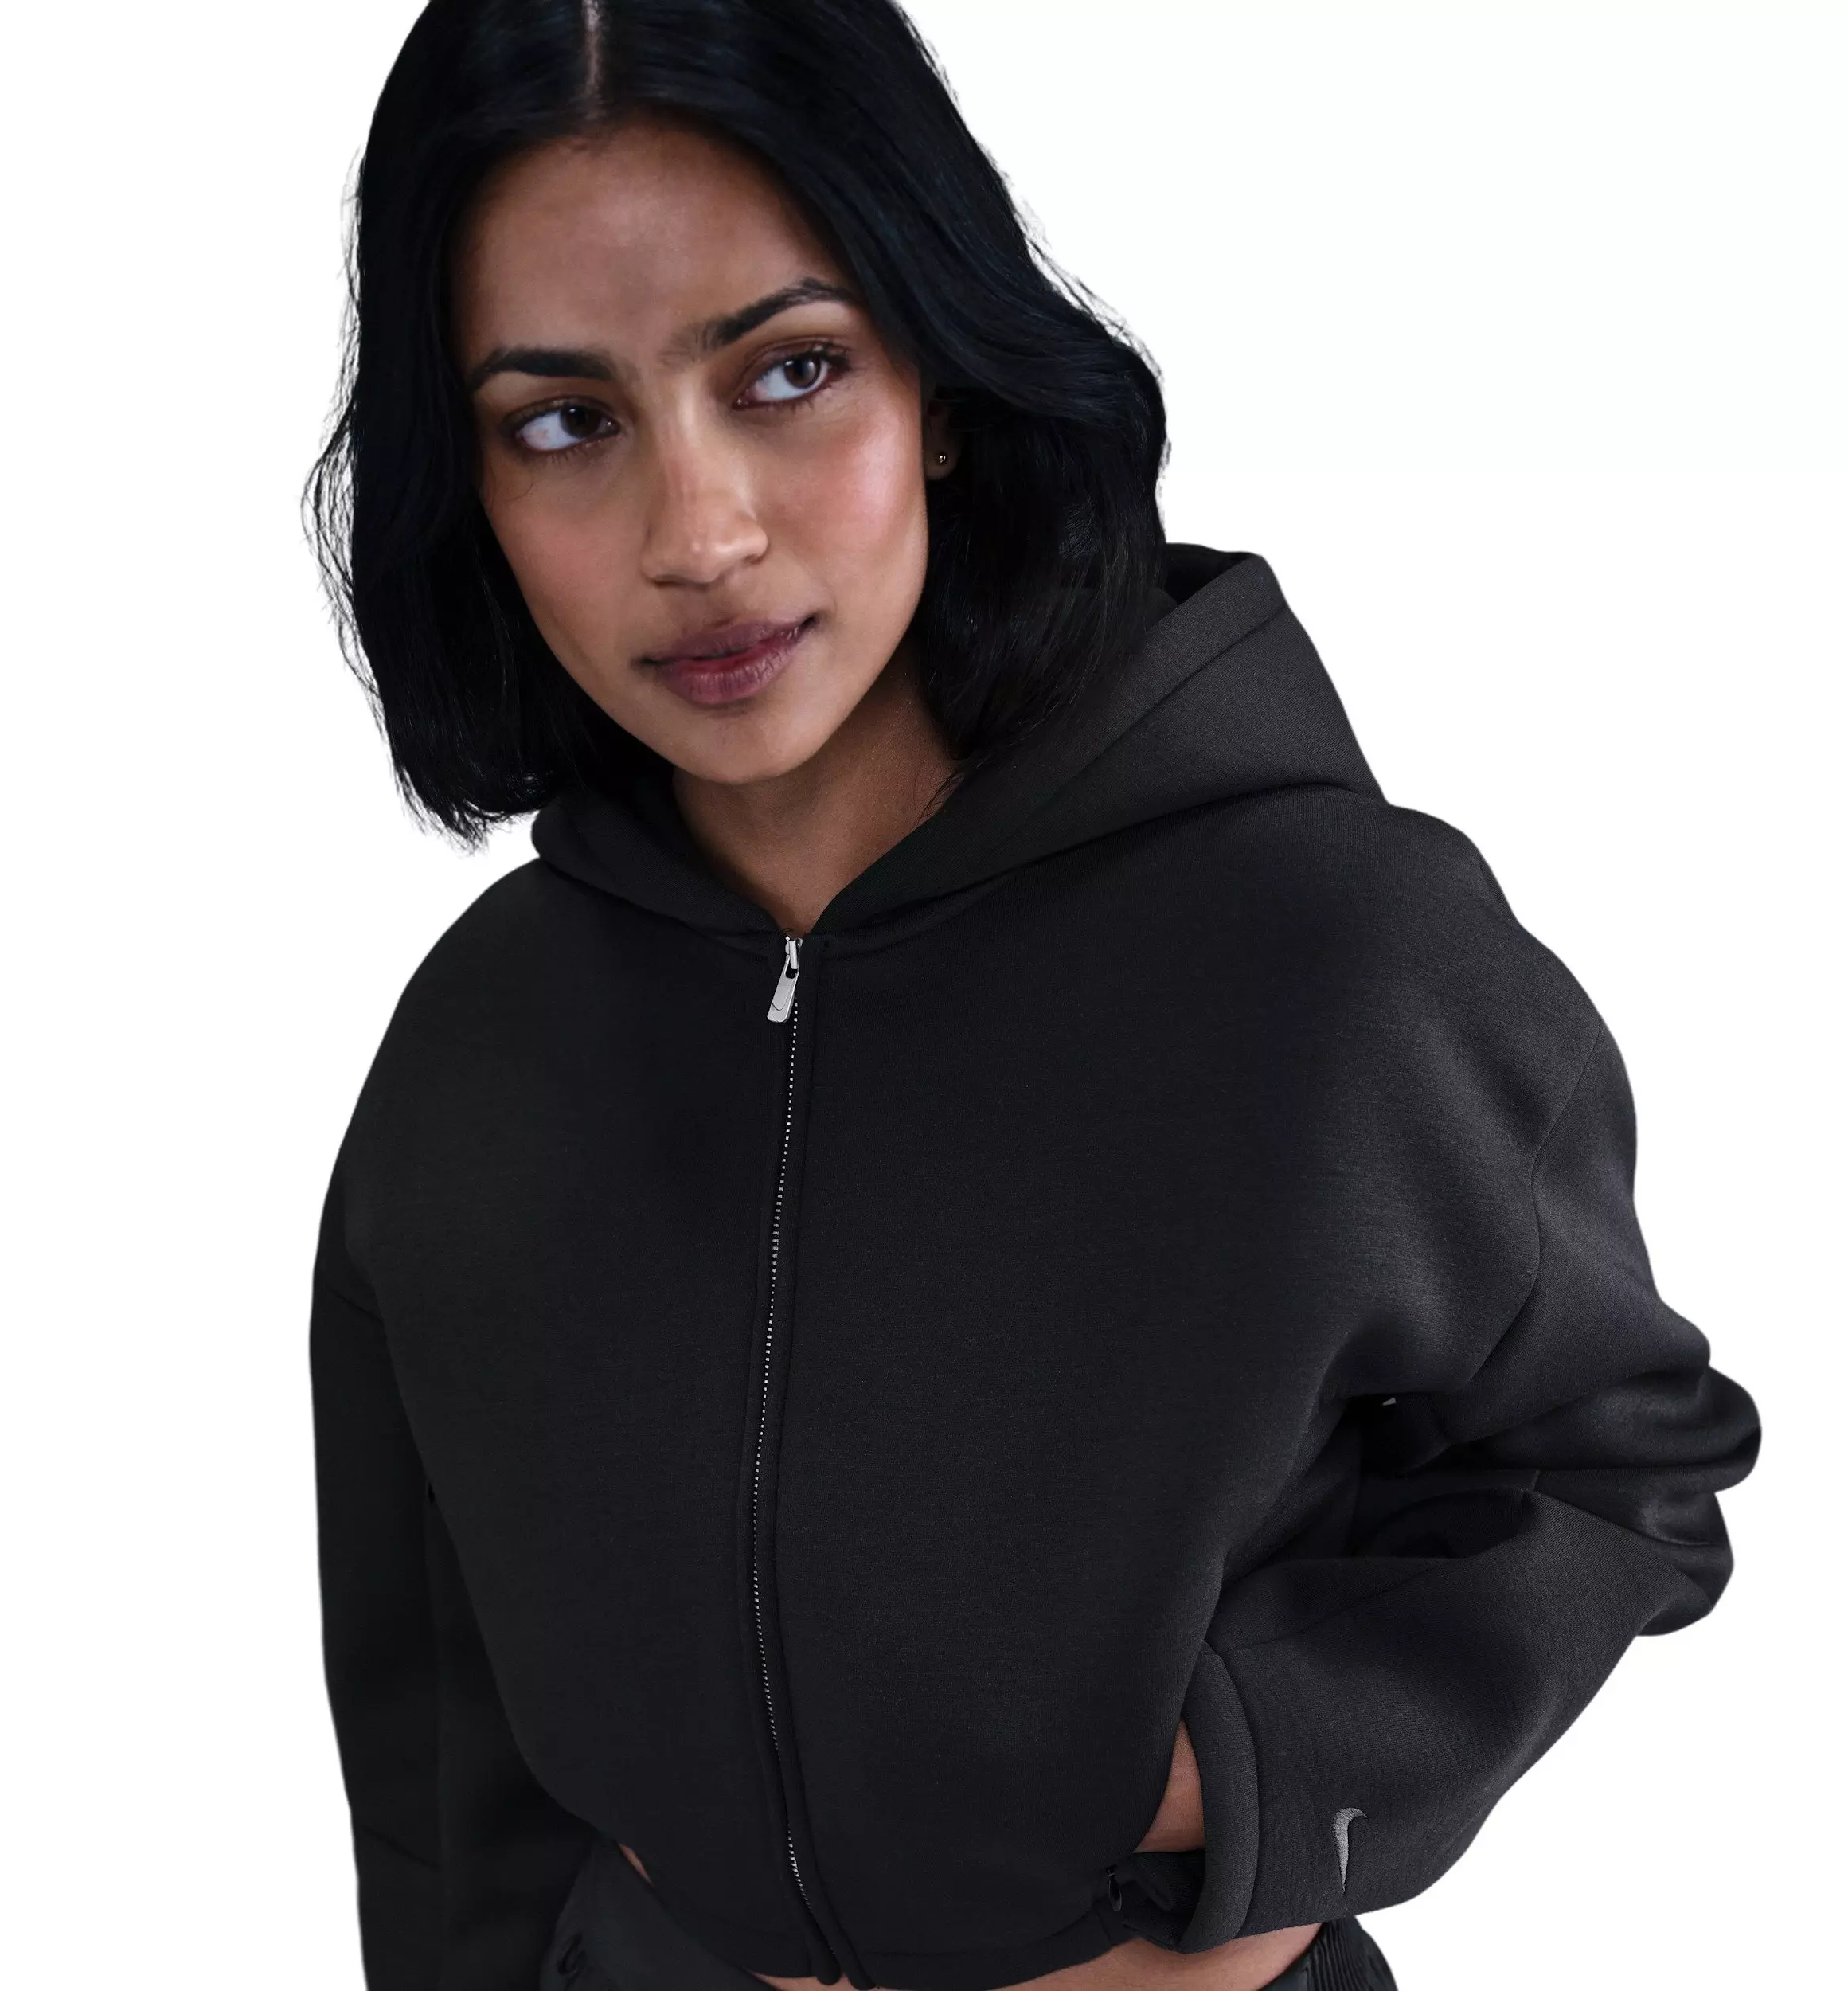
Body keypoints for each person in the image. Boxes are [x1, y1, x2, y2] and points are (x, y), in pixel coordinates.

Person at [303, 4, 1760, 1989]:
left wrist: (1227, 1770)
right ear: (462, 484)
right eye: (564, 421)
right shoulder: (481, 1047)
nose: (699, 535)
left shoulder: (1329, 953)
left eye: (789, 370)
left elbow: (1612, 1468)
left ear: (939, 376)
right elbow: (444, 1730)